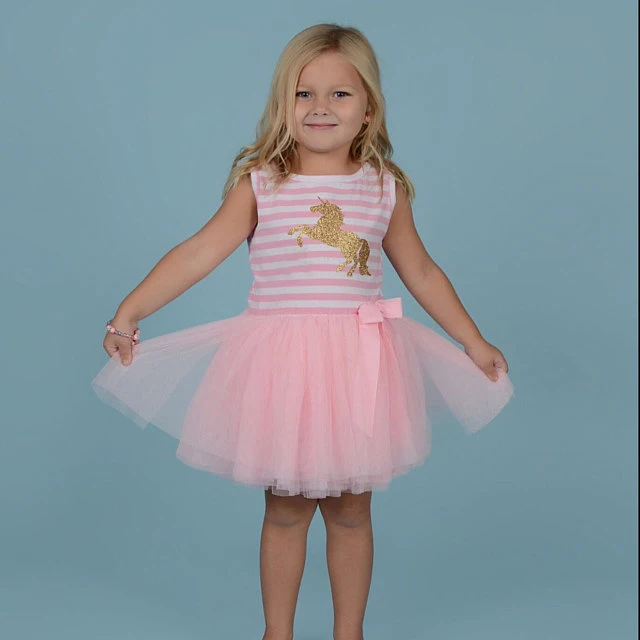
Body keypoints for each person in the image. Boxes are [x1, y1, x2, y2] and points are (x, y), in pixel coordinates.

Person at [92, 23, 514, 640]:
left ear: (368, 109)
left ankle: (350, 632)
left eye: (340, 94)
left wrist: (472, 341)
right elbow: (198, 253)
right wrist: (129, 312)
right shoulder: (262, 182)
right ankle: (277, 632)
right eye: (303, 93)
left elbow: (421, 271)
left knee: (352, 511)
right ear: (282, 104)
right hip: (284, 370)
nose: (320, 107)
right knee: (286, 509)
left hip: (360, 367)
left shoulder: (383, 188)